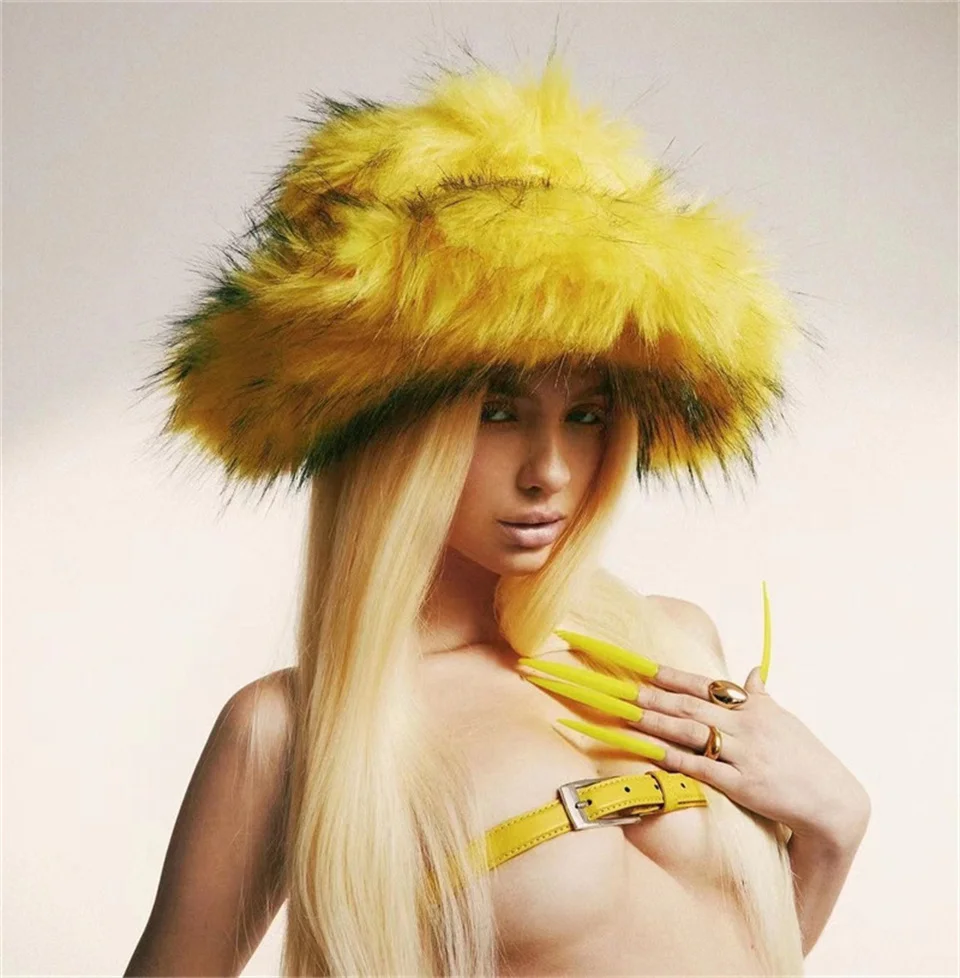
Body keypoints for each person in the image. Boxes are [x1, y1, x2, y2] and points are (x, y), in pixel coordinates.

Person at [125, 54, 870, 977]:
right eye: (497, 411)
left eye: (587, 415)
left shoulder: (673, 647)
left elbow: (745, 953)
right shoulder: (287, 736)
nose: (550, 470)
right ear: (396, 432)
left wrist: (833, 830)